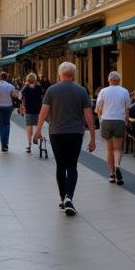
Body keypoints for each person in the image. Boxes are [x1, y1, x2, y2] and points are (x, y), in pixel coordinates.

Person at [33, 61, 96, 216]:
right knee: (72, 166)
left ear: (60, 74)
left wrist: (38, 130)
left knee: (60, 166)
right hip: (76, 133)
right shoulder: (81, 91)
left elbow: (44, 112)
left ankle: (63, 198)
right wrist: (93, 138)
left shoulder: (52, 90)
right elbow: (89, 116)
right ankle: (69, 197)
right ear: (73, 74)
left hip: (56, 133)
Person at [95, 71, 131, 185]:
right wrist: (126, 122)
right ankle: (117, 166)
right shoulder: (124, 91)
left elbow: (98, 107)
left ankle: (111, 174)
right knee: (117, 149)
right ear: (119, 81)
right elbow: (127, 109)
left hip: (106, 120)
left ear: (109, 80)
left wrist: (100, 117)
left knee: (109, 149)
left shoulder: (103, 91)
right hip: (119, 120)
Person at [20, 72, 45, 154]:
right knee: (39, 126)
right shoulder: (38, 88)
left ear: (27, 79)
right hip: (38, 110)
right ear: (34, 79)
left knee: (29, 128)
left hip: (29, 111)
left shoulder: (26, 88)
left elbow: (20, 97)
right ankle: (38, 139)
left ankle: (29, 145)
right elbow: (42, 97)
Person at [0, 71, 16, 152]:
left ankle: (3, 144)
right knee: (7, 124)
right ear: (6, 78)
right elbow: (15, 95)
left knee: (1, 125)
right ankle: (6, 143)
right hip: (8, 106)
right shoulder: (11, 86)